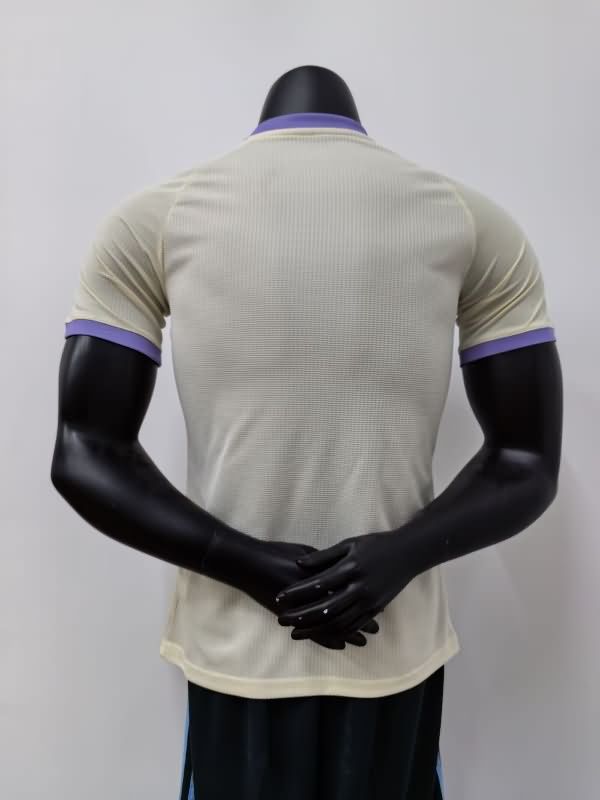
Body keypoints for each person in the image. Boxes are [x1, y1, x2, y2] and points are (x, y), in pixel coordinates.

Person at [51, 65, 563, 800]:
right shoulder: (469, 220)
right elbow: (526, 461)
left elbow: (84, 451)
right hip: (383, 646)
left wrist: (252, 566)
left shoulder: (156, 219)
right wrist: (397, 556)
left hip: (247, 649)